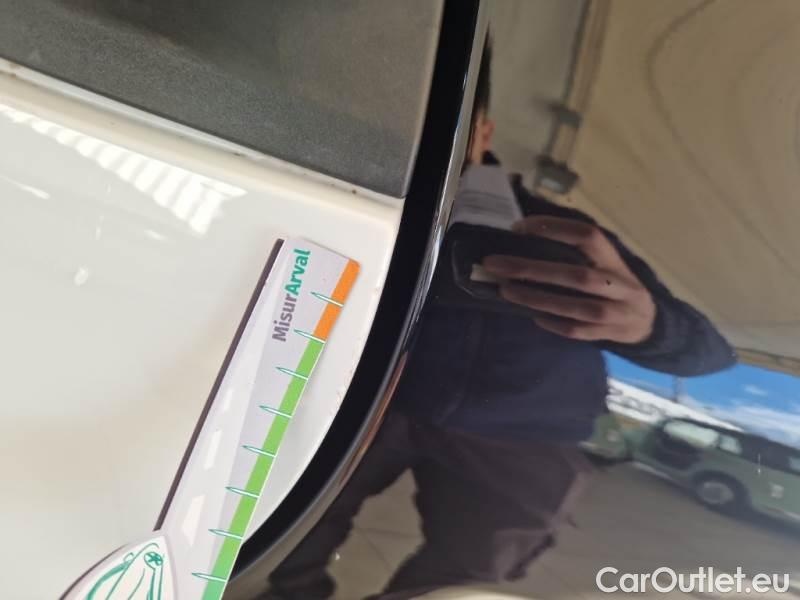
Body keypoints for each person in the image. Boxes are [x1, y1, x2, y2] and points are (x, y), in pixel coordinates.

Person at [263, 38, 735, 600]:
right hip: (371, 401)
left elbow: (710, 353)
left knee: (477, 570)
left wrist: (651, 324)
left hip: (526, 429)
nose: (422, 136)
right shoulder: (358, 198)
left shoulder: (572, 235)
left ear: (484, 131)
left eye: (446, 123)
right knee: (286, 531)